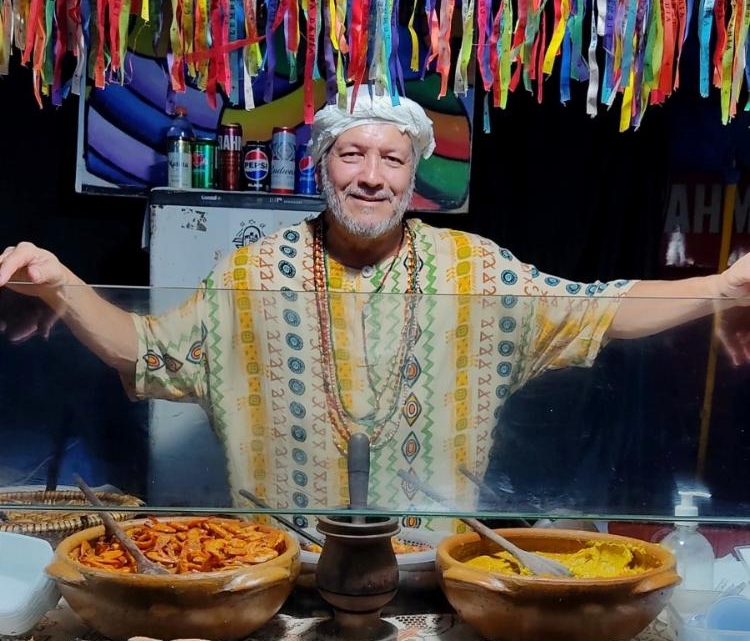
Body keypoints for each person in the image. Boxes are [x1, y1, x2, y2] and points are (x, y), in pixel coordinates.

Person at [2, 88, 750, 532]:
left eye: (391, 159)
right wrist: (61, 282)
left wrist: (719, 289)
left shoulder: (473, 269)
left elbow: (599, 309)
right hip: (279, 573)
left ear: (413, 175)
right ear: (322, 164)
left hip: (429, 575)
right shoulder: (253, 272)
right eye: (350, 155)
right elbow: (146, 352)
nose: (370, 176)